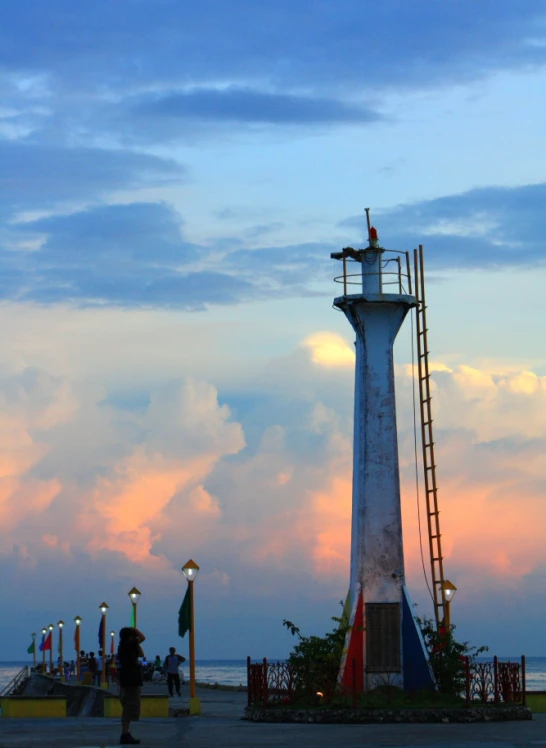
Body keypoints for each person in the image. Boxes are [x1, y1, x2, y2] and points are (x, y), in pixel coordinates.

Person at [118, 626, 146, 745]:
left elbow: (140, 653)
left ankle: (126, 733)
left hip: (125, 678)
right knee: (130, 706)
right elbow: (143, 638)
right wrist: (134, 629)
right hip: (131, 679)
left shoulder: (122, 647)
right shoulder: (130, 645)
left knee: (127, 706)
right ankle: (125, 734)